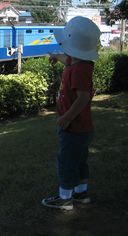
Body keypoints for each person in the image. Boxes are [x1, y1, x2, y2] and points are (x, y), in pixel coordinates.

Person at [41, 16, 101, 211]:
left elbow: (83, 98)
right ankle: (81, 193)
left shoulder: (78, 70)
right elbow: (66, 59)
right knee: (80, 161)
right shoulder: (79, 63)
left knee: (67, 162)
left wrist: (66, 117)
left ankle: (64, 198)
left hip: (73, 127)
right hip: (83, 127)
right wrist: (54, 56)